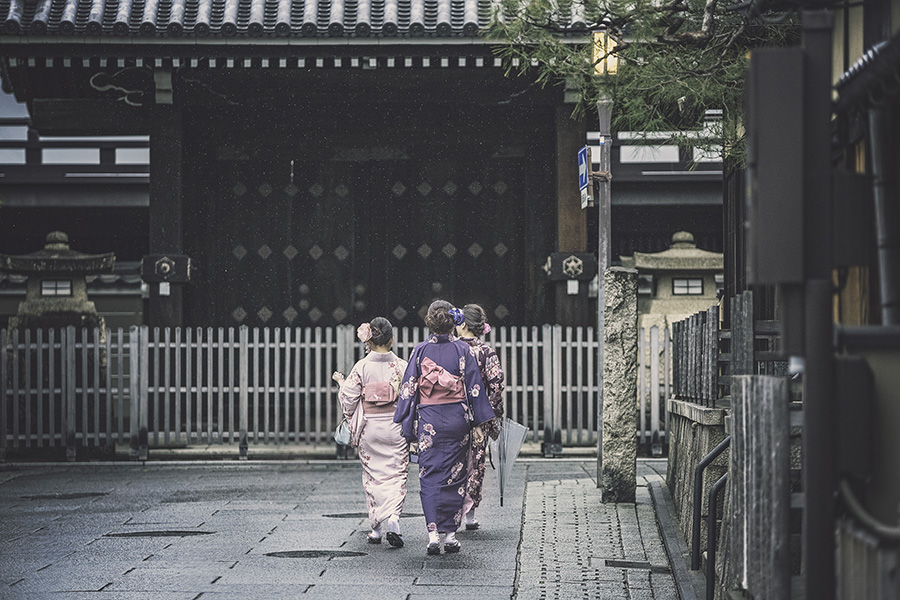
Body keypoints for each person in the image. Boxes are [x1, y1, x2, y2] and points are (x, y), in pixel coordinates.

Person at [394, 300, 496, 555]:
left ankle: (432, 535)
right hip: (456, 420)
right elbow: (475, 388)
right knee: (456, 474)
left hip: (429, 420)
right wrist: (479, 422)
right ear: (453, 321)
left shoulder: (420, 351)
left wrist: (404, 418)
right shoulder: (463, 350)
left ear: (430, 322)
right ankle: (450, 535)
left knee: (429, 474)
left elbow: (408, 388)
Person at [333, 317, 409, 548]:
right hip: (395, 426)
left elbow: (348, 400)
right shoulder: (402, 366)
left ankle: (376, 529)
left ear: (369, 341)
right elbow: (411, 397)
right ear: (391, 340)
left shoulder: (362, 367)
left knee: (372, 475)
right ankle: (394, 517)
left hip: (370, 427)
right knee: (397, 473)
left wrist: (341, 384)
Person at [456, 303, 505, 531]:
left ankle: (451, 511)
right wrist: (492, 412)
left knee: (453, 461)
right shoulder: (486, 352)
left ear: (464, 324)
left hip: (452, 413)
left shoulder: (452, 349)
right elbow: (496, 385)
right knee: (475, 463)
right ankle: (470, 515)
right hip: (479, 415)